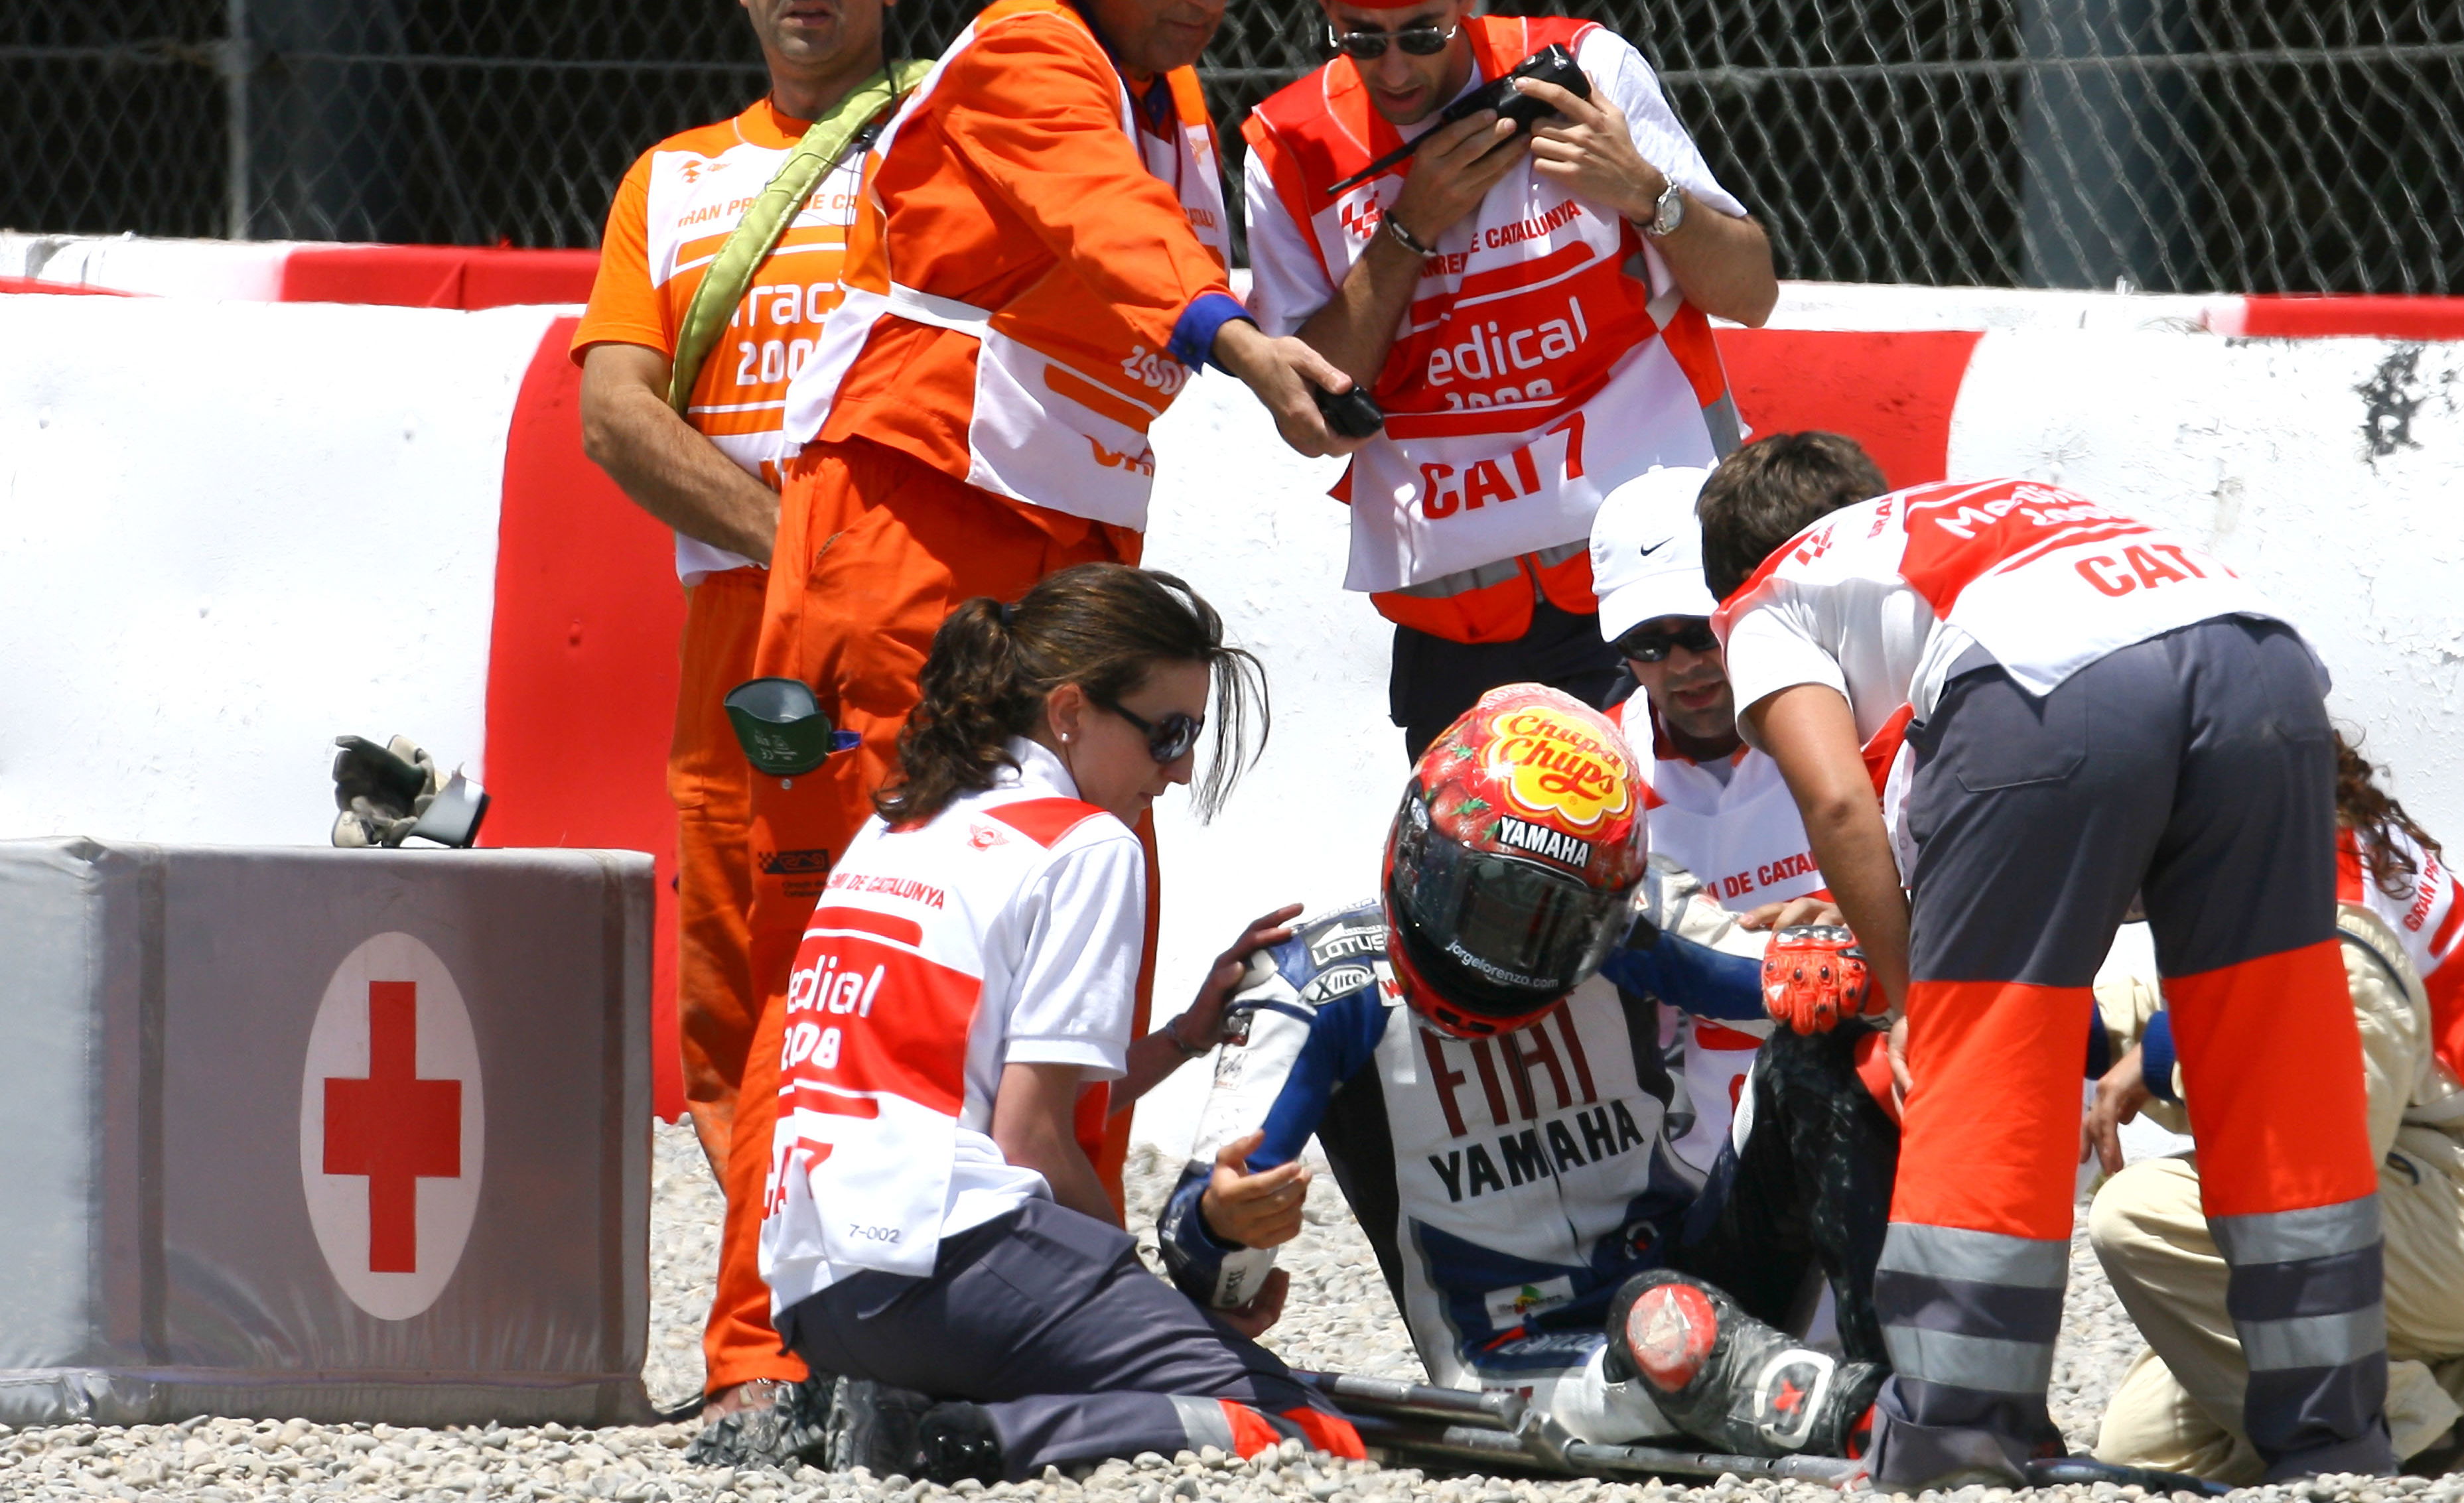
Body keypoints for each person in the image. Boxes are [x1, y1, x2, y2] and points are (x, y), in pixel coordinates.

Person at [707, 0, 1367, 1448]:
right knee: (854, 929)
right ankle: (768, 1352)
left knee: (1085, 912)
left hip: (1060, 537)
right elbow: (1103, 217)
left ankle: (1054, 1292)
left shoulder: (1176, 86)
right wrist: (1243, 351)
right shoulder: (1025, 45)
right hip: (913, 516)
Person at [1704, 472, 2392, 1488]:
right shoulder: (1953, 520)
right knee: (2273, 1043)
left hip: (2046, 682)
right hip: (2259, 658)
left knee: (1986, 1049)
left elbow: (1838, 804)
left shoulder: (1763, 604)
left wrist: (1915, 1004)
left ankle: (1961, 1434)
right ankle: (2333, 1438)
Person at [1157, 685, 1892, 1460]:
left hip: (1694, 1268)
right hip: (1510, 1352)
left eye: (1555, 926)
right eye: (1488, 905)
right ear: (1417, 845)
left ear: (1610, 902)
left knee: (1818, 1048)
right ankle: (1848, 1411)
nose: (1509, 957)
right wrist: (1227, 1227)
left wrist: (1853, 958)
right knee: (1666, 1323)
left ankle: (1901, 1366)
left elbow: (1803, 980)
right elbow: (1205, 1262)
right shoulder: (1310, 984)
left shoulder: (1631, 913)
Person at [759, 563, 1365, 1483]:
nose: (1183, 767)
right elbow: (1031, 1135)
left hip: (816, 1292)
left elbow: (974, 1085)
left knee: (1178, 1365)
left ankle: (910, 1399)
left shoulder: (897, 821)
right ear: (1071, 711)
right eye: (1169, 732)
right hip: (939, 1264)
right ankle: (991, 1441)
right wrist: (1144, 1295)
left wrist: (1182, 1036)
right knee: (1293, 1420)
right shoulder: (1086, 844)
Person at [571, 0, 915, 1435]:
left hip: (916, 619)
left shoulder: (944, 133)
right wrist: (797, 549)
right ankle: (787, 1307)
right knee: (732, 995)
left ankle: (873, 1318)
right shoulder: (672, 177)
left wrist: (868, 564)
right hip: (746, 623)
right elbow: (613, 414)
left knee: (910, 957)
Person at [1238, 0, 1781, 757]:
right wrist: (1410, 228)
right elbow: (1311, 423)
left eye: (1423, 36)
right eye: (1361, 39)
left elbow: (1751, 292)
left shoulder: (1588, 66)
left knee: (1700, 857)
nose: (1393, 68)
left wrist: (1644, 194)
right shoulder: (1289, 143)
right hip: (1461, 624)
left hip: (1659, 581)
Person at [2081, 733, 2464, 1484]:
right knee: (2144, 1450)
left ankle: (2415, 1435)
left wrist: (2172, 1062)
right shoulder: (2302, 848)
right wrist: (2072, 1032)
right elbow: (2227, 1007)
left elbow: (2318, 1149)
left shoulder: (2339, 922)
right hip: (2453, 1184)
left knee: (2136, 1215)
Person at [1588, 462, 1884, 1171]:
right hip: (1712, 1158)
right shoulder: (1598, 766)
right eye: (1646, 645)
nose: (1683, 665)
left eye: (1697, 630)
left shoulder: (1864, 713)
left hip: (1888, 1095)